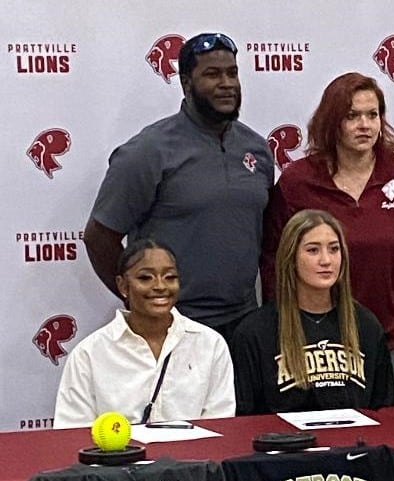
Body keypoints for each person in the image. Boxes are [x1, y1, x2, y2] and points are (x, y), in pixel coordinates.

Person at [261, 72, 394, 405]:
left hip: (388, 333)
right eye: (352, 116)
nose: (365, 125)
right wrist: (279, 321)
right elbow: (274, 258)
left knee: (388, 428)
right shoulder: (298, 182)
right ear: (332, 121)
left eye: (372, 115)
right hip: (313, 337)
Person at [83, 33, 274, 344]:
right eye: (212, 74)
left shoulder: (258, 150)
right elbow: (99, 238)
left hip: (245, 323)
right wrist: (142, 303)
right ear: (186, 83)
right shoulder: (148, 151)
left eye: (232, 73)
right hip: (173, 325)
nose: (226, 84)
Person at [53, 239, 235, 428]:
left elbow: (220, 424)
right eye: (146, 278)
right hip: (116, 449)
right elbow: (71, 431)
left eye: (170, 277)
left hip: (197, 448)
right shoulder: (89, 354)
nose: (160, 286)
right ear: (123, 286)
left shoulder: (210, 344)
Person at [234, 209, 394, 414]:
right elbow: (244, 418)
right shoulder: (255, 332)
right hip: (282, 435)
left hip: (354, 435)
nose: (326, 260)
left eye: (334, 249)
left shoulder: (366, 326)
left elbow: (384, 412)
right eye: (313, 250)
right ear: (291, 258)